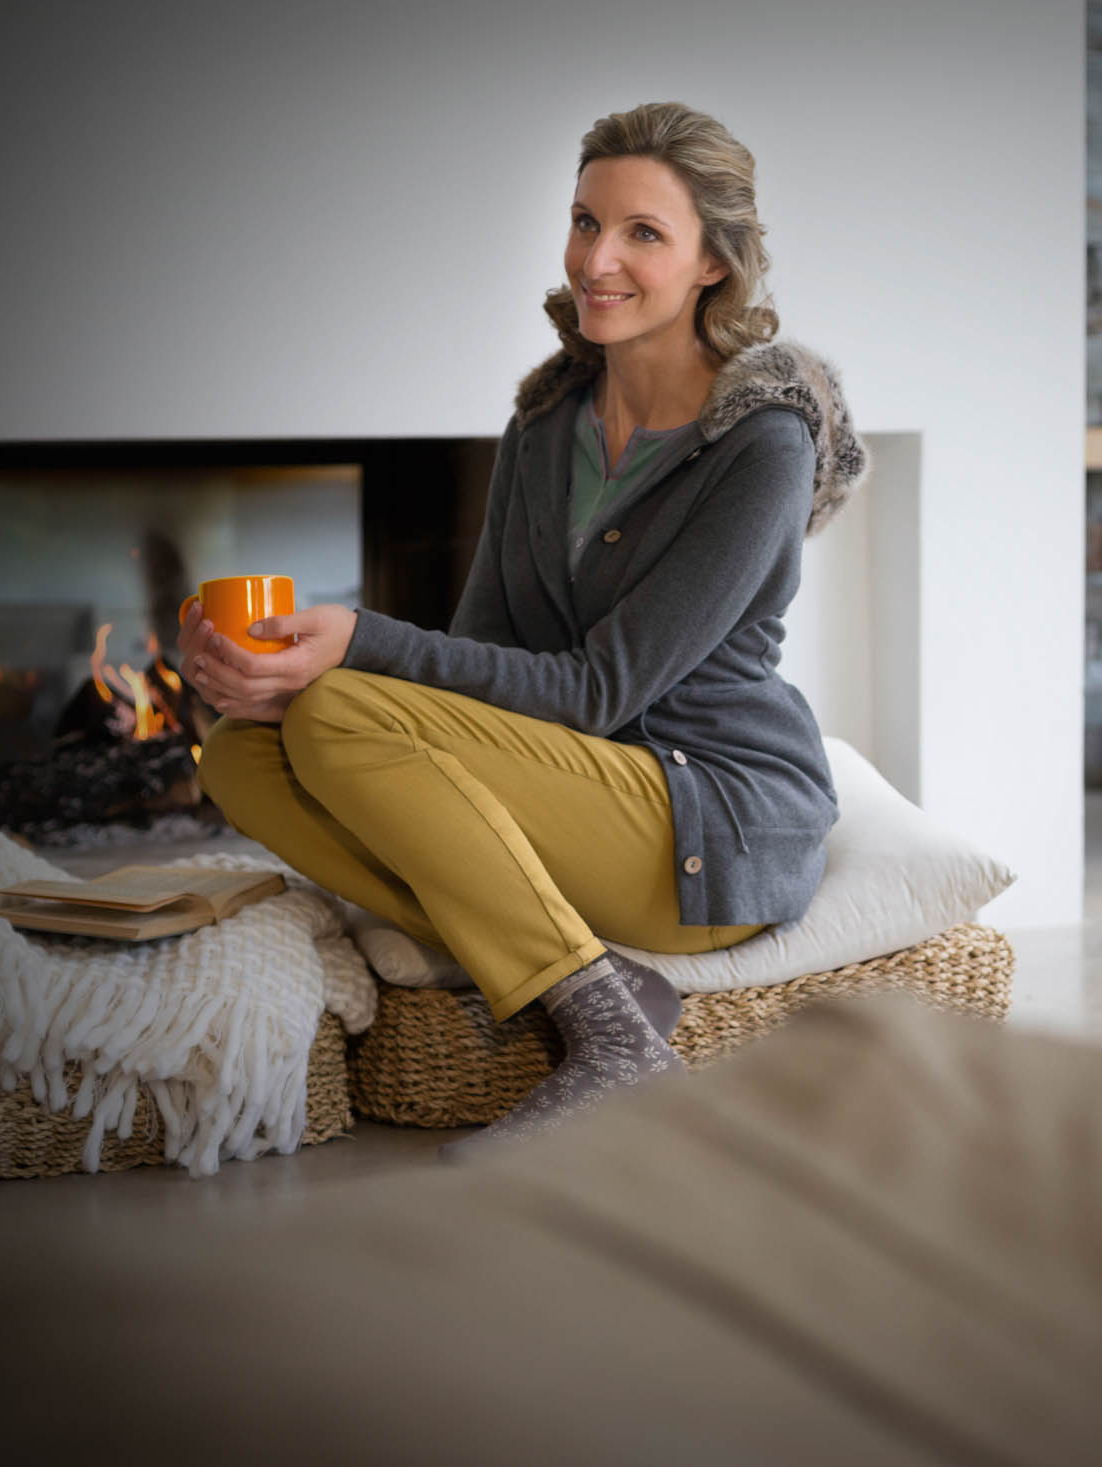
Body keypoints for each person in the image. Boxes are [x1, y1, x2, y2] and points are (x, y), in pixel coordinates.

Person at [179, 101, 868, 1159]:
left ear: (713, 267)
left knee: (344, 713)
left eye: (644, 233)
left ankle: (610, 1037)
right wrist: (281, 672)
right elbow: (475, 660)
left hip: (710, 819)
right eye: (586, 221)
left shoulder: (761, 444)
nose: (598, 258)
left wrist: (357, 643)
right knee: (243, 752)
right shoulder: (547, 427)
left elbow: (600, 690)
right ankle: (574, 969)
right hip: (579, 788)